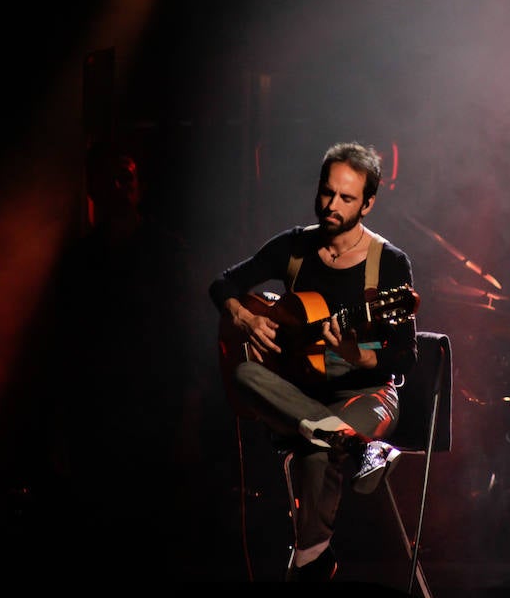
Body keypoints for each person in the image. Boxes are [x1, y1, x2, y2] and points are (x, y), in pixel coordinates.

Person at [209, 141, 418, 582]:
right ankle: (359, 447)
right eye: (327, 192)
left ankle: (308, 559)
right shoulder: (295, 246)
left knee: (314, 444)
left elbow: (403, 355)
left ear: (368, 203)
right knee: (246, 372)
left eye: (346, 198)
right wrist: (243, 317)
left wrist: (356, 353)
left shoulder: (390, 264)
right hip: (297, 392)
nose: (331, 205)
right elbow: (223, 283)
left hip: (366, 392)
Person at [44, 140, 211, 580]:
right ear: (93, 188)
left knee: (152, 542)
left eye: (128, 177)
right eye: (111, 178)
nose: (120, 187)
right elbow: (65, 347)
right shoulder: (80, 260)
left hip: (153, 416)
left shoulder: (166, 252)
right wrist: (61, 425)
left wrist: (189, 416)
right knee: (99, 545)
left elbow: (189, 337)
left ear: (138, 187)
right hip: (96, 422)